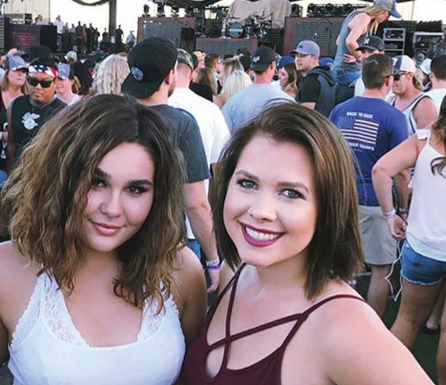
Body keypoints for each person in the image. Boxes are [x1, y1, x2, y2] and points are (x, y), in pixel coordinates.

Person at [179, 102, 433, 385]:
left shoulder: (345, 328)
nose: (261, 210)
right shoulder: (234, 271)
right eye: (248, 184)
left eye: (290, 193)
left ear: (327, 208)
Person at [0, 94, 206, 384]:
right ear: (60, 178)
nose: (112, 209)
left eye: (136, 189)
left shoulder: (181, 270)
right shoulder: (4, 270)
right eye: (96, 182)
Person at [122, 37, 219, 289]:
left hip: (112, 244)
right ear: (169, 77)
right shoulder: (183, 124)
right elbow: (196, 203)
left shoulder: (106, 116)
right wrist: (214, 260)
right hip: (162, 253)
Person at [329, 54, 410, 317]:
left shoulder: (341, 109)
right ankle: (371, 326)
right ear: (388, 80)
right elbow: (400, 172)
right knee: (381, 269)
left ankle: (337, 316)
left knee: (343, 265)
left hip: (343, 198)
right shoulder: (394, 117)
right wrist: (402, 209)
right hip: (377, 204)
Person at [373, 92, 446, 384]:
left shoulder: (424, 139)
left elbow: (381, 170)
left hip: (422, 247)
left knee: (407, 320)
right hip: (425, 247)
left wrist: (391, 215)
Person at [170, 49, 231, 290]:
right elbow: (221, 171)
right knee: (190, 309)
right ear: (194, 73)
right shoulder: (209, 110)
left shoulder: (151, 105)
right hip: (194, 226)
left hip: (149, 223)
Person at [0, 55, 28, 242]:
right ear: (7, 73)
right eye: (17, 70)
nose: (20, 75)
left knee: (18, 206)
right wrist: (1, 135)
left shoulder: (28, 99)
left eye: (24, 71)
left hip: (20, 164)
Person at [8, 57, 66, 168]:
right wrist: (10, 174)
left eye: (45, 83)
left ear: (55, 83)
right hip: (18, 174)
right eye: (33, 81)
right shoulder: (15, 105)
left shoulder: (65, 112)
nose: (38, 87)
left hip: (47, 176)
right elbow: (11, 144)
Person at [223, 46, 294, 132]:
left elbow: (224, 135)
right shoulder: (286, 101)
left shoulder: (233, 102)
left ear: (252, 67)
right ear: (272, 66)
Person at [333, 0, 400, 88]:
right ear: (383, 11)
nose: (387, 19)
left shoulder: (355, 14)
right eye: (389, 15)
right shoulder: (365, 18)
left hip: (339, 69)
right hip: (348, 71)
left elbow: (339, 41)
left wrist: (353, 54)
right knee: (381, 85)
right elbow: (350, 41)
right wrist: (359, 57)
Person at [389, 55, 438, 134]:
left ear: (409, 75)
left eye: (396, 77)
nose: (392, 82)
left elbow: (428, 141)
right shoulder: (390, 100)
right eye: (389, 77)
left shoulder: (424, 104)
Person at [292, 40, 337, 117]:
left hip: (312, 127)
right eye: (296, 55)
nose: (297, 59)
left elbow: (305, 116)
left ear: (315, 58)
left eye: (303, 55)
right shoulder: (325, 76)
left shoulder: (311, 81)